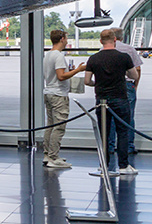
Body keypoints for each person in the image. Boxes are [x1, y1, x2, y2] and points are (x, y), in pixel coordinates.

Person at [84, 28, 139, 176]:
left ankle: (103, 165)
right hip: (120, 98)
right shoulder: (124, 57)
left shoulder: (93, 58)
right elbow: (133, 75)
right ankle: (123, 165)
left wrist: (98, 83)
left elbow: (87, 81)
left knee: (104, 133)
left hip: (101, 99)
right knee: (122, 131)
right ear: (115, 40)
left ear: (101, 41)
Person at [43, 29, 85, 168]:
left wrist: (69, 71)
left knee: (50, 125)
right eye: (66, 38)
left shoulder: (48, 55)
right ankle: (54, 157)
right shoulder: (59, 56)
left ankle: (47, 154)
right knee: (59, 127)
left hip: (49, 92)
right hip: (58, 95)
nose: (67, 41)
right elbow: (61, 76)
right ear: (61, 39)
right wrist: (77, 70)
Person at [112, 27, 142, 164]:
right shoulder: (129, 49)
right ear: (122, 37)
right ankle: (129, 146)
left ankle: (110, 146)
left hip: (111, 86)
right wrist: (135, 85)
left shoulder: (104, 50)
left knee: (111, 117)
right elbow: (137, 68)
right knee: (128, 116)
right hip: (127, 85)